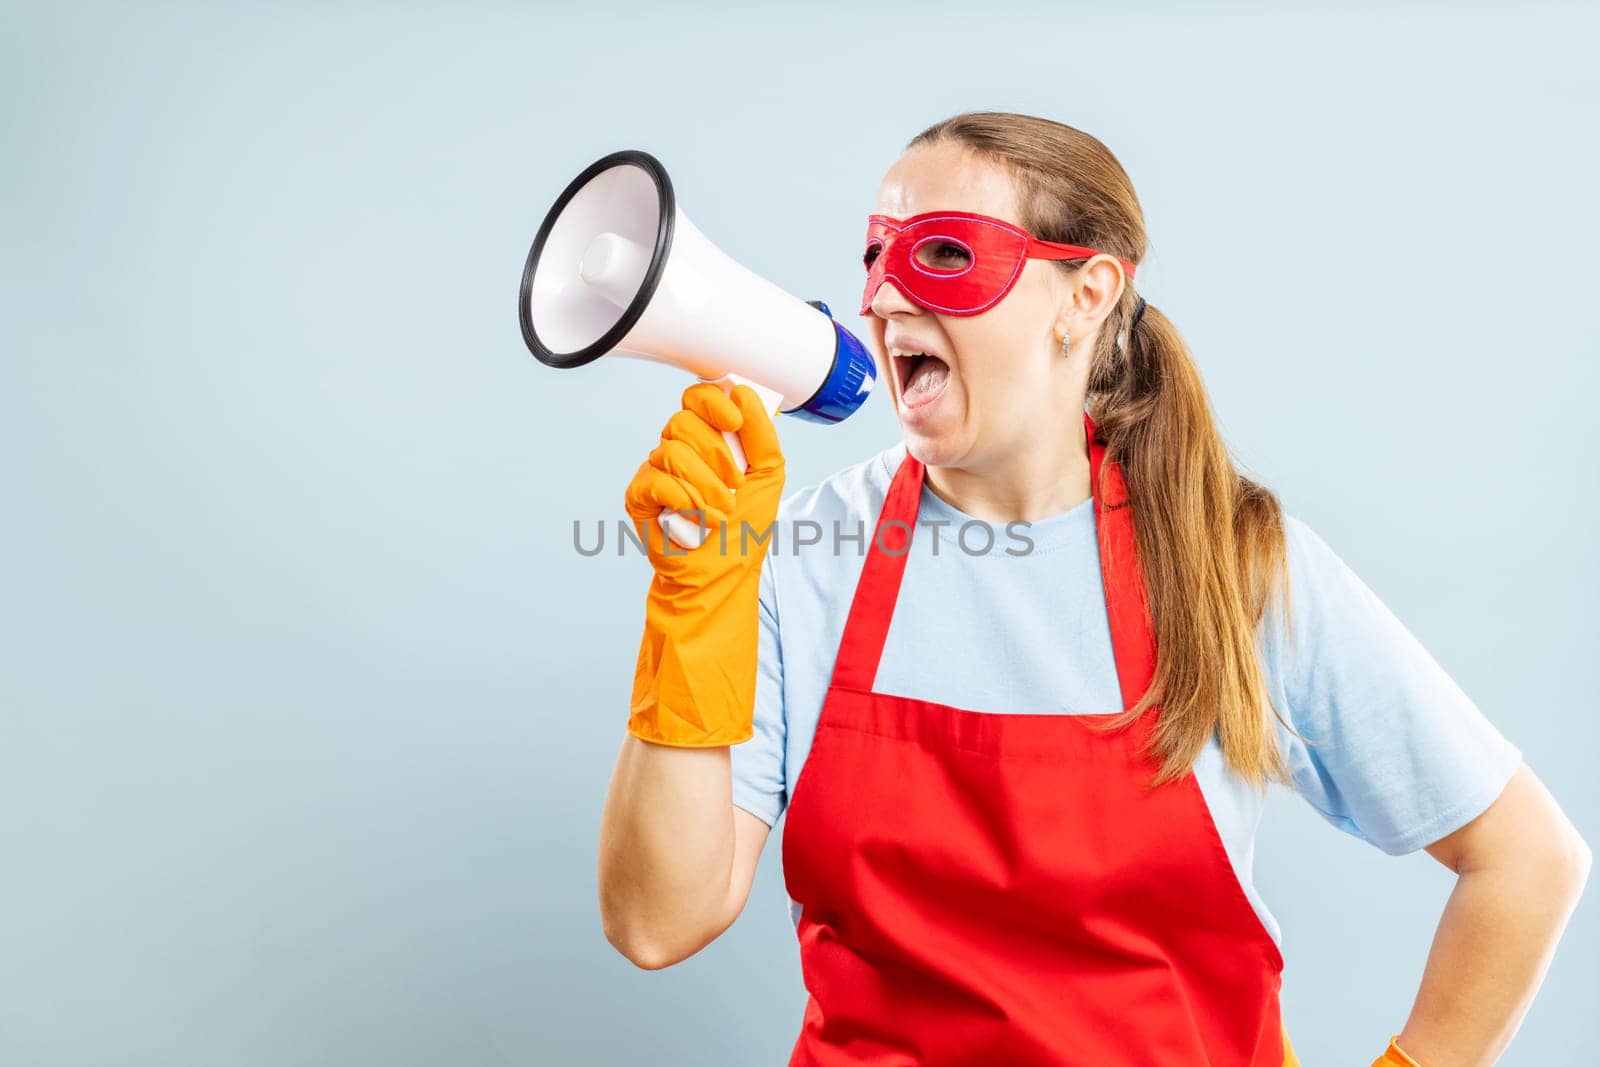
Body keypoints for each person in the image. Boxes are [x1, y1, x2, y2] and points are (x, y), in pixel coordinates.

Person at [597, 111, 1591, 1066]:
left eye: (941, 254)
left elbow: (1527, 859)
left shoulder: (1226, 559)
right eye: (875, 254)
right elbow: (656, 918)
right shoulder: (804, 553)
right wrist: (694, 600)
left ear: (1086, 295)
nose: (884, 297)